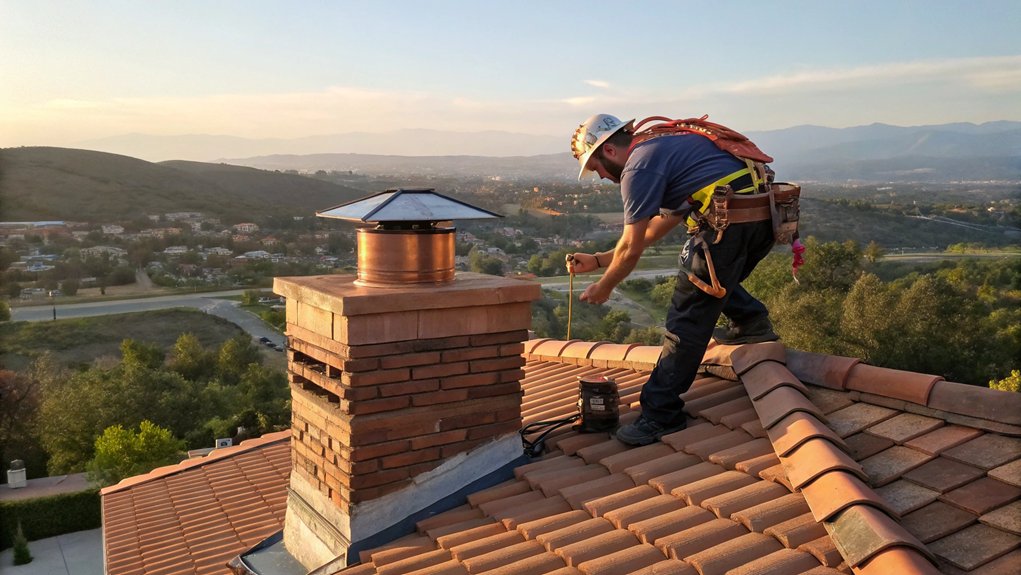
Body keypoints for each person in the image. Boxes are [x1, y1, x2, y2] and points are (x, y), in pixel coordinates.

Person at [568, 113, 779, 446]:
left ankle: (660, 412)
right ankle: (751, 321)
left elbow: (631, 246)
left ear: (608, 151)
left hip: (727, 228)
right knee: (702, 275)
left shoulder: (637, 167)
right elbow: (663, 223)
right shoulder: (661, 145)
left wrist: (605, 286)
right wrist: (598, 261)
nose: (602, 177)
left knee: (686, 321)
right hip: (761, 222)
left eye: (596, 168)